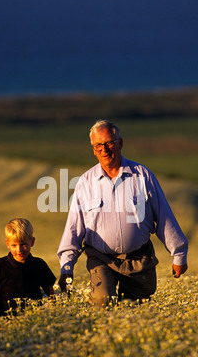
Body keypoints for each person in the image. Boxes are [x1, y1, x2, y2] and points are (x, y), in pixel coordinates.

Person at [57, 120, 188, 306]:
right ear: (93, 149)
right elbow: (74, 227)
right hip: (101, 259)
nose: (104, 149)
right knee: (102, 303)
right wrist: (67, 267)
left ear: (120, 143)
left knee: (137, 311)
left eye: (109, 143)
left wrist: (179, 254)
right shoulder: (85, 182)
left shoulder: (142, 175)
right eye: (98, 145)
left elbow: (164, 216)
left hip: (139, 258)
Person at [0, 218, 56, 318]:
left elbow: (49, 289)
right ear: (7, 244)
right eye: (14, 245)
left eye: (23, 244)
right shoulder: (1, 265)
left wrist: (53, 306)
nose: (19, 249)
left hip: (32, 320)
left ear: (32, 242)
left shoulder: (39, 264)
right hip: (2, 321)